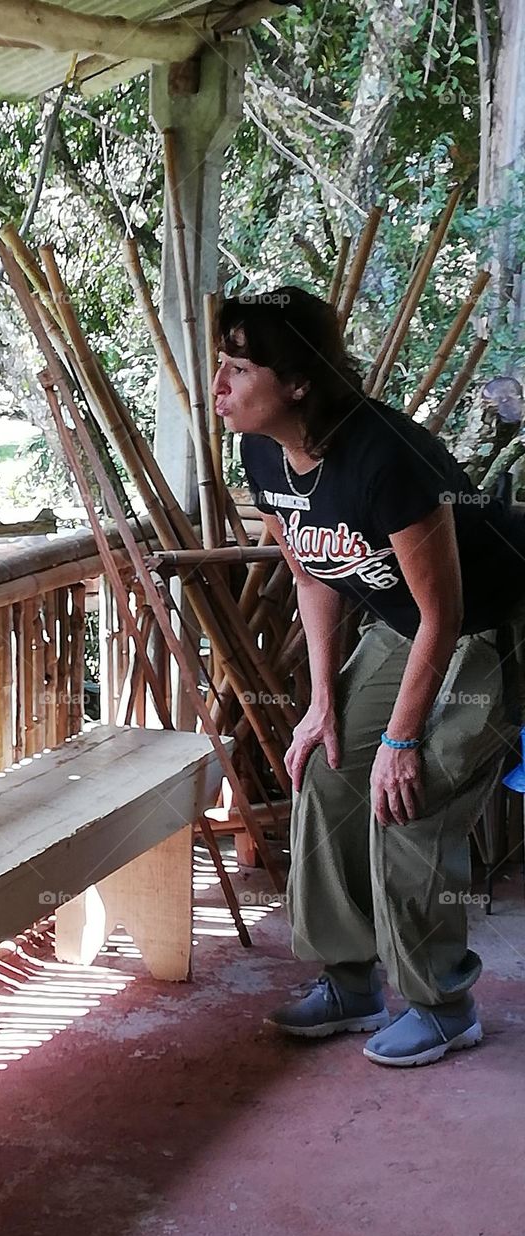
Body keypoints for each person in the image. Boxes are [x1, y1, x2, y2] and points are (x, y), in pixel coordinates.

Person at [212, 286, 525, 1067]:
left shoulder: (388, 457)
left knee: (407, 796)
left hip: (496, 624)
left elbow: (445, 616)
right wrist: (323, 704)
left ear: (298, 383)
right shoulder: (260, 452)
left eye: (238, 368)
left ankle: (443, 1004)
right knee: (331, 768)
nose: (219, 384)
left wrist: (403, 736)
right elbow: (316, 578)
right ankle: (351, 979)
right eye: (220, 363)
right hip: (407, 628)